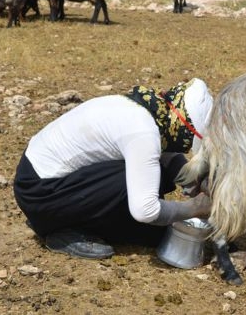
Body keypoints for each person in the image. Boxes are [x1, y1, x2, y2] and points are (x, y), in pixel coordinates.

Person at [13, 79, 214, 259]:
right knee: (140, 190)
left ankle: (66, 218)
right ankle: (63, 229)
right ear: (184, 127)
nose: (187, 147)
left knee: (151, 181)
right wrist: (195, 208)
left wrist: (196, 182)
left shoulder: (148, 111)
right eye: (188, 142)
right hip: (41, 195)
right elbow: (145, 210)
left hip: (40, 180)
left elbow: (168, 158)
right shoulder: (143, 133)